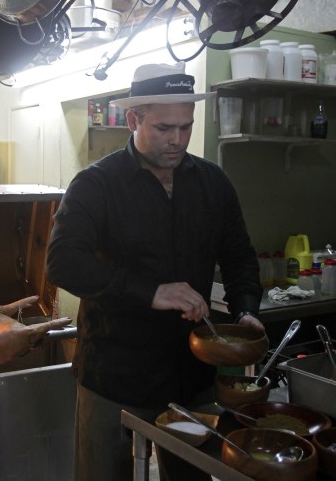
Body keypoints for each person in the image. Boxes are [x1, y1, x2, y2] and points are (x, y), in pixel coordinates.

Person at [46, 62, 264, 481]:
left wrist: (245, 309)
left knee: (190, 473)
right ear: (133, 119)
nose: (177, 140)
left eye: (185, 127)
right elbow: (62, 262)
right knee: (102, 473)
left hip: (192, 373)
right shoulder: (97, 184)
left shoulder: (213, 184)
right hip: (116, 373)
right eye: (165, 127)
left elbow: (239, 256)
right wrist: (151, 292)